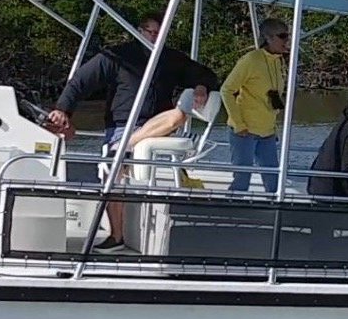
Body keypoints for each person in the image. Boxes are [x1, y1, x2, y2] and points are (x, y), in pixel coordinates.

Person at [46, 13, 220, 252]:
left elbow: (206, 74)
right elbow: (81, 82)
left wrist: (201, 86)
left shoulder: (170, 59)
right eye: (152, 32)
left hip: (156, 126)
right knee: (112, 175)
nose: (156, 37)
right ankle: (116, 236)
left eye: (161, 33)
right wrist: (63, 109)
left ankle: (123, 148)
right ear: (139, 31)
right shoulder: (118, 56)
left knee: (178, 114)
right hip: (121, 125)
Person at [220, 19, 292, 193]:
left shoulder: (278, 61)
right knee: (242, 181)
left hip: (267, 132)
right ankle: (230, 213)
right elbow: (226, 90)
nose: (287, 40)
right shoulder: (251, 60)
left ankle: (275, 217)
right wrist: (239, 124)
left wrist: (273, 127)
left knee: (274, 182)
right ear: (268, 38)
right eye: (282, 36)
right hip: (245, 132)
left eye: (288, 35)